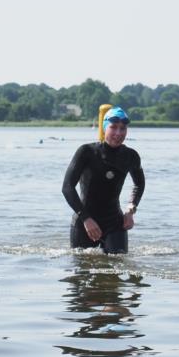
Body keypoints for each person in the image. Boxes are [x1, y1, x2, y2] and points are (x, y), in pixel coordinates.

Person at [62, 106, 145, 254]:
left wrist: (130, 210)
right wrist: (86, 219)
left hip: (114, 223)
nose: (118, 133)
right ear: (104, 128)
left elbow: (139, 183)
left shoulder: (130, 156)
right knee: (82, 267)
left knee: (118, 264)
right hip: (84, 222)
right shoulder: (87, 152)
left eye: (123, 128)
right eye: (113, 127)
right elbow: (67, 187)